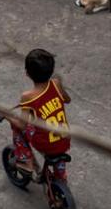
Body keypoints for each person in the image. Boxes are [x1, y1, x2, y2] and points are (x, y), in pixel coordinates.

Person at [11, 48, 70, 176]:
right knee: (57, 145)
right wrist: (59, 87)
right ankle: (61, 175)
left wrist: (7, 116)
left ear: (27, 73)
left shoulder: (27, 97)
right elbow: (67, 100)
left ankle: (26, 161)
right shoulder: (56, 84)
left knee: (17, 127)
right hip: (65, 138)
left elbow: (22, 124)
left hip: (45, 144)